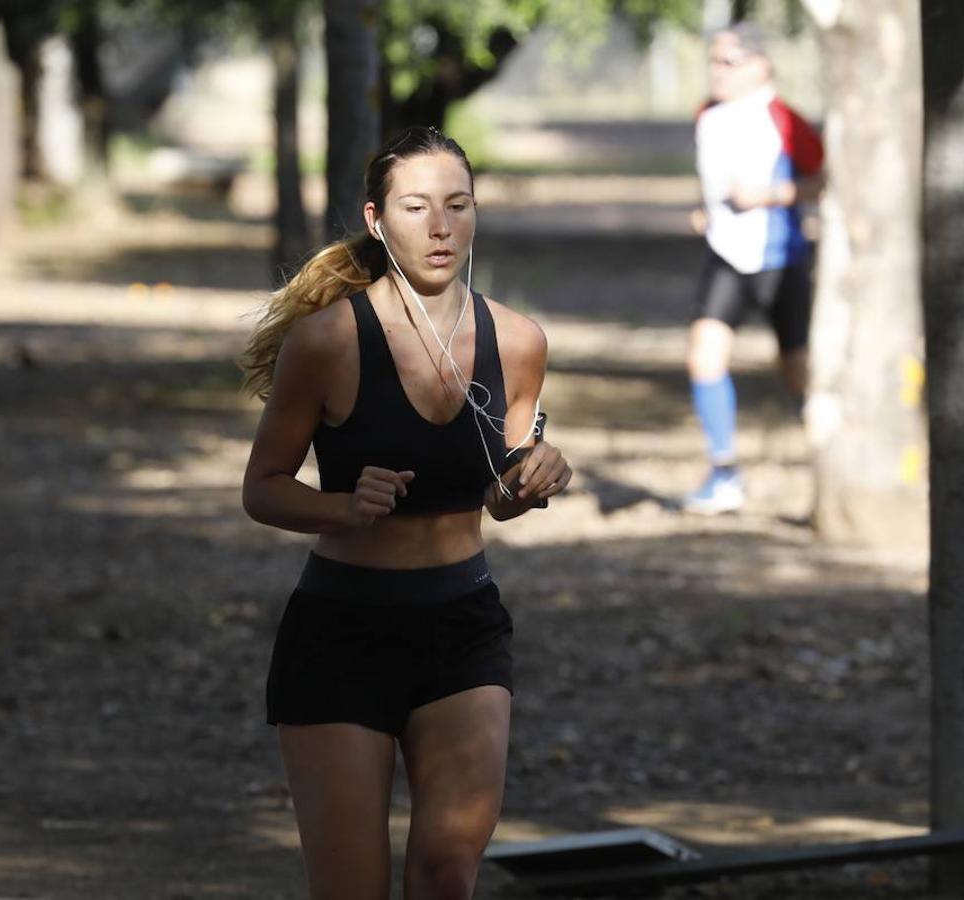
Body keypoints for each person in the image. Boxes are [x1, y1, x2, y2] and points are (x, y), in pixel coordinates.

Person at [237, 126, 572, 900]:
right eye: (417, 207)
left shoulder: (518, 342)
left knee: (448, 873)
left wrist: (537, 478)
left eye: (457, 206)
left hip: (462, 626)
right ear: (378, 218)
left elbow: (504, 485)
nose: (440, 226)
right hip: (342, 632)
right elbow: (262, 487)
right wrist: (341, 508)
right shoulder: (327, 342)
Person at [683, 22, 824, 515]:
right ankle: (724, 473)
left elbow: (824, 179)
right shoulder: (706, 114)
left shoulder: (785, 120)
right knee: (703, 356)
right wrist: (704, 209)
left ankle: (831, 472)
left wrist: (769, 196)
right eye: (713, 61)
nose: (717, 71)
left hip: (779, 260)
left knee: (798, 376)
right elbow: (711, 177)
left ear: (760, 66)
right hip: (726, 257)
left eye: (728, 62)